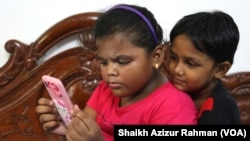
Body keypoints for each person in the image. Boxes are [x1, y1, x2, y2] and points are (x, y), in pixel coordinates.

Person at [36, 4, 197, 141]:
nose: (109, 72)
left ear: (156, 56)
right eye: (104, 62)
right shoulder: (105, 89)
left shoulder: (174, 108)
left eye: (122, 61)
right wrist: (68, 129)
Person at [167, 10, 241, 124]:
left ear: (220, 69)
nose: (177, 69)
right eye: (173, 57)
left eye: (190, 63)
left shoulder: (219, 112)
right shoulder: (172, 89)